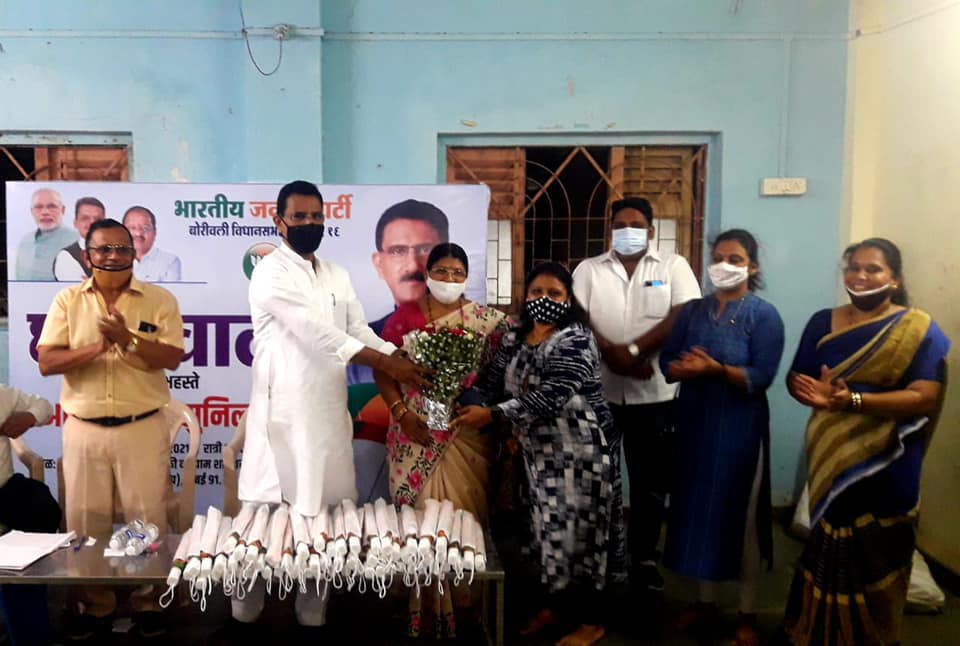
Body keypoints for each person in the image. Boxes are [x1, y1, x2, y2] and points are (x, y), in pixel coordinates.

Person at [231, 181, 430, 634]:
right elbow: (316, 332)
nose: (309, 225)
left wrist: (398, 357)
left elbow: (356, 327)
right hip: (280, 412)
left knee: (324, 510)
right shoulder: (269, 272)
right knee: (267, 512)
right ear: (278, 222)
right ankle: (246, 604)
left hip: (325, 410)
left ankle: (313, 601)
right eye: (298, 218)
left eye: (316, 217)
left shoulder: (337, 273)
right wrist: (384, 362)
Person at [781, 238, 949, 646]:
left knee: (878, 552)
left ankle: (873, 636)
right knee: (827, 550)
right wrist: (806, 391)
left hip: (889, 461)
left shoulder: (917, 327)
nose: (860, 276)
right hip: (830, 456)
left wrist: (852, 401)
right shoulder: (823, 321)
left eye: (873, 269)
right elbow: (796, 377)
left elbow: (925, 395)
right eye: (853, 268)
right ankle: (815, 633)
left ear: (895, 279)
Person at [37, 218, 185, 641]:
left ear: (134, 253)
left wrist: (128, 339)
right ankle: (96, 605)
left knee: (145, 520)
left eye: (122, 248)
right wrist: (98, 348)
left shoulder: (159, 299)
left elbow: (171, 357)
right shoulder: (67, 301)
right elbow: (47, 361)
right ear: (87, 255)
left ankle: (145, 601)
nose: (113, 256)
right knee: (86, 522)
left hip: (141, 426)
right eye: (103, 249)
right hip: (84, 429)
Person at [453, 262, 615, 646]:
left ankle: (591, 622)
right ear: (526, 297)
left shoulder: (575, 338)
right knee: (543, 535)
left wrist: (492, 415)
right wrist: (466, 399)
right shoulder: (515, 336)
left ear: (569, 299)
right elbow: (492, 381)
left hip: (578, 456)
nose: (545, 300)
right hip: (535, 456)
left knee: (578, 536)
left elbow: (553, 395)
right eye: (537, 292)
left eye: (555, 293)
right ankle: (555, 608)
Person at [374, 242, 508, 638]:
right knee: (417, 521)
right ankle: (421, 611)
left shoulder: (488, 322)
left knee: (464, 517)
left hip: (466, 432)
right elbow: (384, 369)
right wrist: (401, 413)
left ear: (466, 277)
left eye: (457, 272)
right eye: (442, 271)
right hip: (413, 432)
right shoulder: (404, 317)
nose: (449, 279)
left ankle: (465, 611)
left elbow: (500, 376)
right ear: (427, 273)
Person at [659, 229, 784, 646]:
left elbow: (762, 376)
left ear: (753, 267)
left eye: (735, 258)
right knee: (696, 513)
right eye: (718, 257)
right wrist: (678, 370)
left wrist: (715, 371)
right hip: (694, 424)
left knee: (741, 517)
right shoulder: (693, 312)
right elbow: (667, 359)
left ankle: (747, 613)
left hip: (739, 430)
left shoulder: (764, 316)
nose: (724, 266)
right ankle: (704, 602)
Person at [572, 196, 700, 591]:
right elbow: (577, 317)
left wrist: (632, 352)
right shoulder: (589, 269)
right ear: (610, 230)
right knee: (598, 479)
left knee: (649, 482)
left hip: (655, 394)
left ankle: (644, 557)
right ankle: (601, 557)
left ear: (650, 230)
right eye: (619, 224)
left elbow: (684, 314)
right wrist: (612, 357)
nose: (627, 230)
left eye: (636, 224)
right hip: (600, 393)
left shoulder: (673, 266)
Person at [347, 199, 450, 386]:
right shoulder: (359, 349)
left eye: (426, 249)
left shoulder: (473, 332)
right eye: (398, 251)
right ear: (379, 264)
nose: (412, 265)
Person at [0, 385, 59, 646]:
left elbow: (45, 407)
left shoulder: (2, 394)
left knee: (41, 508)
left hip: (3, 489)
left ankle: (31, 634)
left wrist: (27, 418)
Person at [15, 187, 78, 281]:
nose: (45, 212)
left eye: (52, 206)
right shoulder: (25, 241)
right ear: (32, 211)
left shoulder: (76, 239)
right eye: (38, 207)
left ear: (63, 210)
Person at [122, 206, 182, 282]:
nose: (138, 233)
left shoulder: (169, 261)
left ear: (154, 232)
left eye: (145, 228)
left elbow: (169, 293)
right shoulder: (112, 260)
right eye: (132, 228)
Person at [54, 197, 106, 281]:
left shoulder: (116, 252)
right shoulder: (65, 257)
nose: (92, 223)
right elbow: (78, 291)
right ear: (76, 223)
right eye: (85, 218)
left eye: (97, 219)